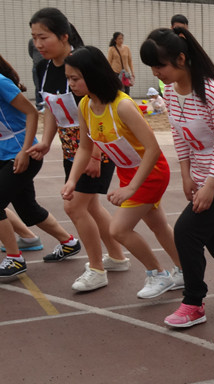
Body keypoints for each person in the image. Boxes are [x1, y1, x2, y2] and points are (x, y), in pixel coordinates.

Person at [141, 27, 214, 328]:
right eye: (152, 67)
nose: (156, 73)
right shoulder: (170, 92)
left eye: (160, 65)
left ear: (181, 58)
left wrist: (211, 185)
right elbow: (179, 135)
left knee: (186, 232)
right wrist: (187, 176)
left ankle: (193, 302)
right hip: (202, 174)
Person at [59, 46, 183, 300]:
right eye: (68, 78)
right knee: (158, 224)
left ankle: (157, 274)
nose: (71, 84)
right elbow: (85, 147)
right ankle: (186, 270)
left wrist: (131, 187)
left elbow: (152, 149)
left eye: (75, 78)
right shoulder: (85, 105)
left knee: (118, 230)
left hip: (151, 172)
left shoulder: (123, 106)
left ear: (93, 74)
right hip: (129, 173)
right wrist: (72, 180)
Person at [29, 8, 131, 292]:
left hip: (97, 143)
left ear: (64, 36)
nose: (38, 44)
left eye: (43, 37)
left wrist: (96, 155)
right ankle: (117, 257)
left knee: (73, 206)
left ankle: (96, 269)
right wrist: (46, 141)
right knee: (90, 206)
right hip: (70, 145)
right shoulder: (43, 68)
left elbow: (98, 107)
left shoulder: (82, 64)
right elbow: (51, 107)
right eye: (34, 38)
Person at [0, 55, 76, 278]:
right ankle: (68, 242)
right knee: (28, 209)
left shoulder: (1, 83)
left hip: (22, 153)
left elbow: (32, 112)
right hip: (4, 154)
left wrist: (24, 151)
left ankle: (14, 259)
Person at [28, 39, 44, 111]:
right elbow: (31, 53)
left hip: (46, 66)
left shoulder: (47, 40)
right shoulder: (31, 41)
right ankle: (39, 106)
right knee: (38, 87)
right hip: (36, 67)